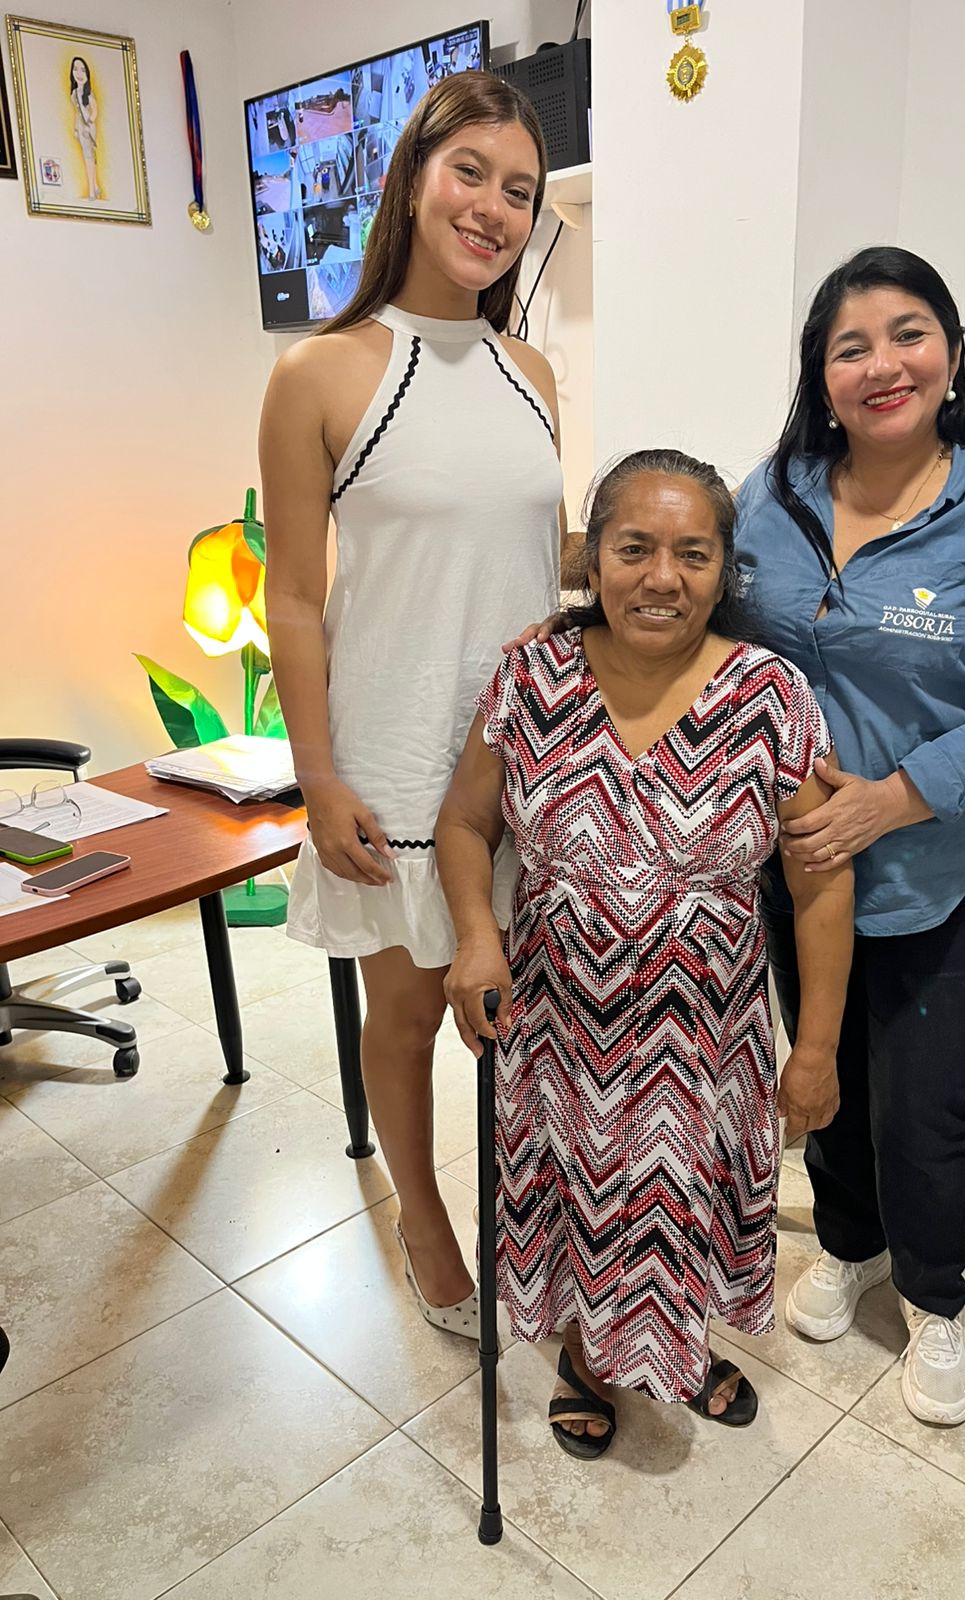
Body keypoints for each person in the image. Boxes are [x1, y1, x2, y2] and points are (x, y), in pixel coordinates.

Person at [735, 246, 965, 1425]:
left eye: (908, 334)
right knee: (821, 1065)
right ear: (820, 376)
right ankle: (850, 1245)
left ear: (951, 354)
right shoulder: (773, 494)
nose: (882, 364)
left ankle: (935, 1299)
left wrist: (893, 797)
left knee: (925, 1104)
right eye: (851, 346)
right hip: (802, 865)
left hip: (948, 866)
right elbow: (702, 625)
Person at [436, 450, 854, 1455]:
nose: (661, 577)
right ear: (594, 560)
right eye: (634, 548)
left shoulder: (771, 694)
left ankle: (676, 1342)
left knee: (684, 1188)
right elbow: (464, 823)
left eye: (692, 554)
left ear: (722, 570)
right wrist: (477, 937)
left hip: (705, 1031)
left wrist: (816, 1048)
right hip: (560, 1019)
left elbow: (821, 882)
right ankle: (588, 1356)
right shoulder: (530, 678)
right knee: (582, 1187)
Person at [259, 73, 563, 1342]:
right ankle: (424, 1217)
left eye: (520, 191)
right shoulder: (321, 372)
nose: (493, 208)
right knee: (410, 1006)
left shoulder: (533, 371)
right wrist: (320, 774)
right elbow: (293, 597)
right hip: (390, 744)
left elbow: (528, 558)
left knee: (518, 1003)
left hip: (525, 758)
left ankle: (537, 1214)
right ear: (412, 179)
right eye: (470, 173)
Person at [68, 57, 100, 202]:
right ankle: (95, 185)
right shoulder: (74, 94)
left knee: (89, 158)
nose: (79, 73)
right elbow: (77, 113)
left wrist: (88, 125)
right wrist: (76, 128)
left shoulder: (88, 93)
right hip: (81, 127)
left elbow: (95, 111)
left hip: (88, 126)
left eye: (82, 70)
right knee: (88, 156)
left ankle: (92, 190)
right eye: (75, 69)